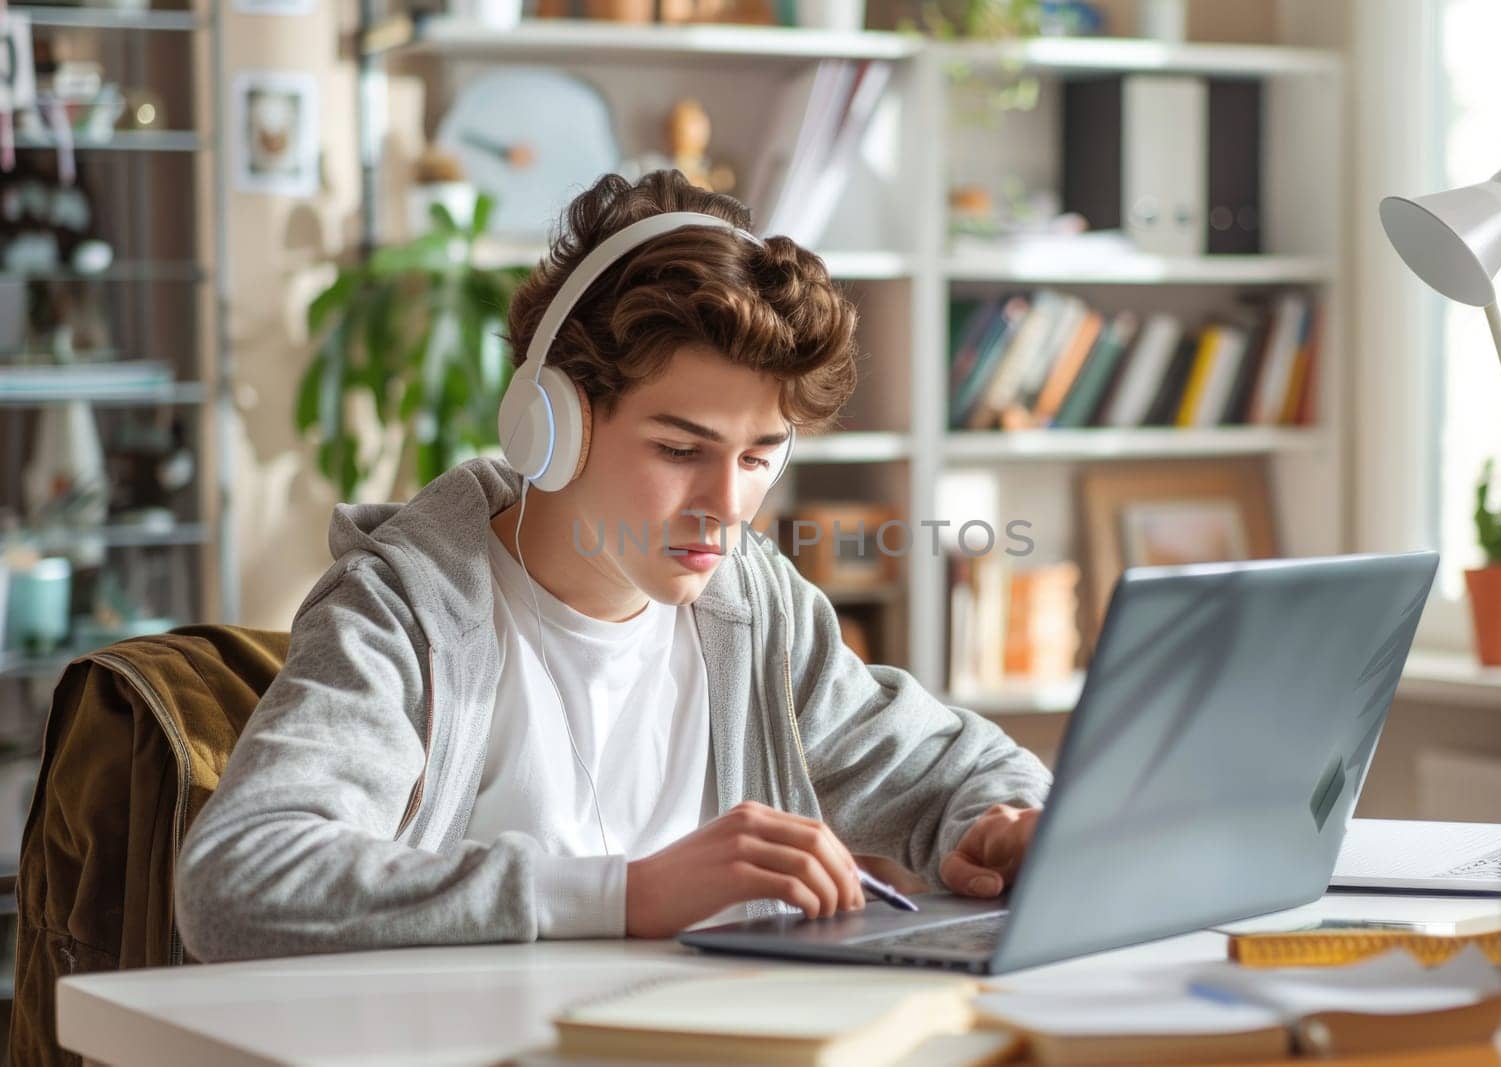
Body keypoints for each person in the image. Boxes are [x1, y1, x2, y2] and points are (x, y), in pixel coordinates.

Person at [174, 170, 1053, 961]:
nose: (728, 506)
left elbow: (963, 769)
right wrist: (626, 894)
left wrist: (998, 828)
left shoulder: (753, 604)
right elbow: (236, 881)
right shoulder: (404, 610)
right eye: (680, 448)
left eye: (760, 456)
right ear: (551, 422)